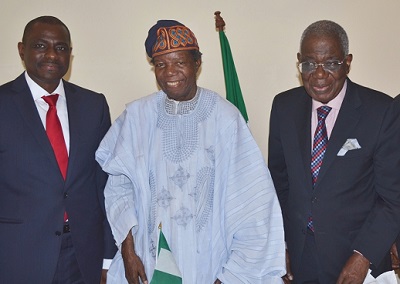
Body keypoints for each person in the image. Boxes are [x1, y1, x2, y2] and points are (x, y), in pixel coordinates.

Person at [96, 19, 286, 283]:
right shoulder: (136, 118)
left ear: (197, 63)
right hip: (150, 263)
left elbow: (252, 205)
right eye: (160, 64)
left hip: (211, 262)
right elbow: (118, 188)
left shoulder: (226, 119)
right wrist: (128, 252)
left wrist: (233, 276)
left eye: (179, 62)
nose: (169, 72)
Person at [268, 20, 400, 283]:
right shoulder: (284, 107)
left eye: (331, 63)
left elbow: (392, 198)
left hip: (358, 259)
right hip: (299, 259)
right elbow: (277, 185)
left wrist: (364, 255)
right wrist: (279, 245)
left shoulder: (381, 111)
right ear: (299, 62)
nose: (319, 74)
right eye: (309, 63)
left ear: (347, 62)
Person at [0, 16, 116, 283]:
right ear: (22, 49)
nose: (52, 54)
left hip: (83, 256)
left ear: (70, 55)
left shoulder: (93, 106)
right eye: (41, 45)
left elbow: (105, 184)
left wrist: (108, 257)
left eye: (61, 47)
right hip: (16, 256)